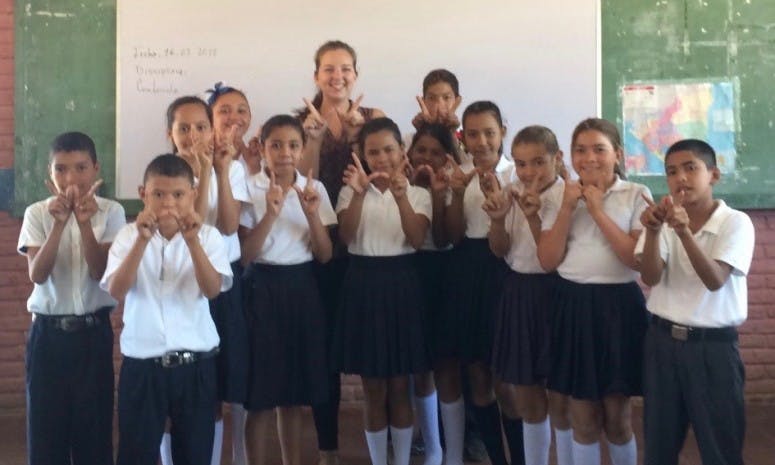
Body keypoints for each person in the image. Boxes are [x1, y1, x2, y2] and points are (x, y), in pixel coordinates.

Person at [102, 154, 233, 465]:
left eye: (178, 195)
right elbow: (117, 291)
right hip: (143, 366)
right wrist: (142, 242)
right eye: (158, 194)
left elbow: (212, 290)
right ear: (143, 194)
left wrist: (192, 242)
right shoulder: (127, 236)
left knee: (194, 453)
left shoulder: (209, 237)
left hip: (195, 366)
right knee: (136, 453)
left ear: (193, 194)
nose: (168, 203)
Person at [538, 118, 650, 465]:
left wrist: (597, 209)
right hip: (571, 306)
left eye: (599, 149)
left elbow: (634, 258)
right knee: (582, 417)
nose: (589, 158)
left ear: (616, 154)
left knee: (617, 417)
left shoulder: (635, 195)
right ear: (569, 156)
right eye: (580, 150)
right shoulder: (559, 195)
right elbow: (547, 260)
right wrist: (571, 207)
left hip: (618, 309)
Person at [635, 139, 754, 465]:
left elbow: (715, 280)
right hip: (662, 344)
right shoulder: (662, 219)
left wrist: (684, 232)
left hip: (712, 349)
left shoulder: (735, 222)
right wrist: (656, 231)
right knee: (659, 448)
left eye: (691, 168)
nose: (681, 178)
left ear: (713, 174)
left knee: (720, 449)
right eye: (672, 171)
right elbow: (650, 277)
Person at [296, 39, 385, 465]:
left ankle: (385, 446)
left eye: (346, 68)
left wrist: (356, 136)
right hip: (317, 247)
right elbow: (301, 179)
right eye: (329, 69)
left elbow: (383, 174)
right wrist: (313, 138)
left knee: (373, 352)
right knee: (323, 354)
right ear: (316, 75)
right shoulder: (300, 121)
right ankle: (328, 448)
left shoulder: (374, 118)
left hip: (366, 247)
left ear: (356, 73)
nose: (338, 76)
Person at [19, 131, 125, 465]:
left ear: (95, 168)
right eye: (61, 169)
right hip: (47, 337)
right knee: (47, 436)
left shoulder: (112, 212)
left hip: (93, 335)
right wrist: (59, 225)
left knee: (93, 436)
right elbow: (37, 274)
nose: (71, 179)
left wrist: (83, 224)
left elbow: (99, 272)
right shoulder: (37, 213)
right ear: (49, 174)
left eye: (80, 168)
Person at [239, 115, 335, 465]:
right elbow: (245, 256)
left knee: (293, 396)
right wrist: (270, 214)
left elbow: (325, 255)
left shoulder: (316, 189)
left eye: (293, 145)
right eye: (275, 145)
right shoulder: (249, 188)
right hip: (261, 289)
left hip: (302, 289)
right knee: (261, 396)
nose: (284, 153)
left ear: (303, 148)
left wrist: (310, 213)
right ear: (262, 148)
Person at [334, 117, 431, 465]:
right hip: (361, 285)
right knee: (373, 388)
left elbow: (417, 239)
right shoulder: (350, 191)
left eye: (389, 149)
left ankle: (402, 460)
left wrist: (402, 197)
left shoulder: (419, 193)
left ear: (402, 151)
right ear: (361, 155)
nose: (382, 158)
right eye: (373, 152)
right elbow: (345, 237)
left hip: (402, 286)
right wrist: (359, 193)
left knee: (399, 386)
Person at [164, 94, 251, 465]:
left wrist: (215, 171)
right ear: (170, 133)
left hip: (222, 290)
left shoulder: (230, 168)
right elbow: (193, 229)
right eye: (183, 128)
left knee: (215, 390)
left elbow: (229, 225)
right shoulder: (163, 174)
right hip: (182, 292)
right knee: (175, 392)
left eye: (201, 126)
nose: (193, 135)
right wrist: (196, 176)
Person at [484, 126, 567, 465]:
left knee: (563, 396)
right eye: (520, 164)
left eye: (538, 162)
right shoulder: (509, 192)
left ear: (557, 159)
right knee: (527, 394)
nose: (528, 172)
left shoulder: (571, 195)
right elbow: (500, 250)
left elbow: (558, 258)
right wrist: (497, 221)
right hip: (520, 290)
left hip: (561, 293)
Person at [437, 101, 514, 465]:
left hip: (507, 273)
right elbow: (451, 236)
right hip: (468, 273)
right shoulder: (460, 175)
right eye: (472, 134)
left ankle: (523, 457)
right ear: (462, 138)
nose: (481, 141)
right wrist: (453, 193)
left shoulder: (519, 173)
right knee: (478, 374)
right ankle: (497, 456)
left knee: (510, 380)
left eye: (489, 132)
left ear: (502, 132)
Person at [407, 123, 459, 465]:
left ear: (447, 157)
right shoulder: (398, 186)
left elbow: (442, 239)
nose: (427, 158)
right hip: (410, 275)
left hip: (444, 275)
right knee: (419, 367)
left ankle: (452, 451)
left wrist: (439, 196)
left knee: (446, 366)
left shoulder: (453, 187)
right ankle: (432, 448)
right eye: (420, 150)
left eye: (435, 152)